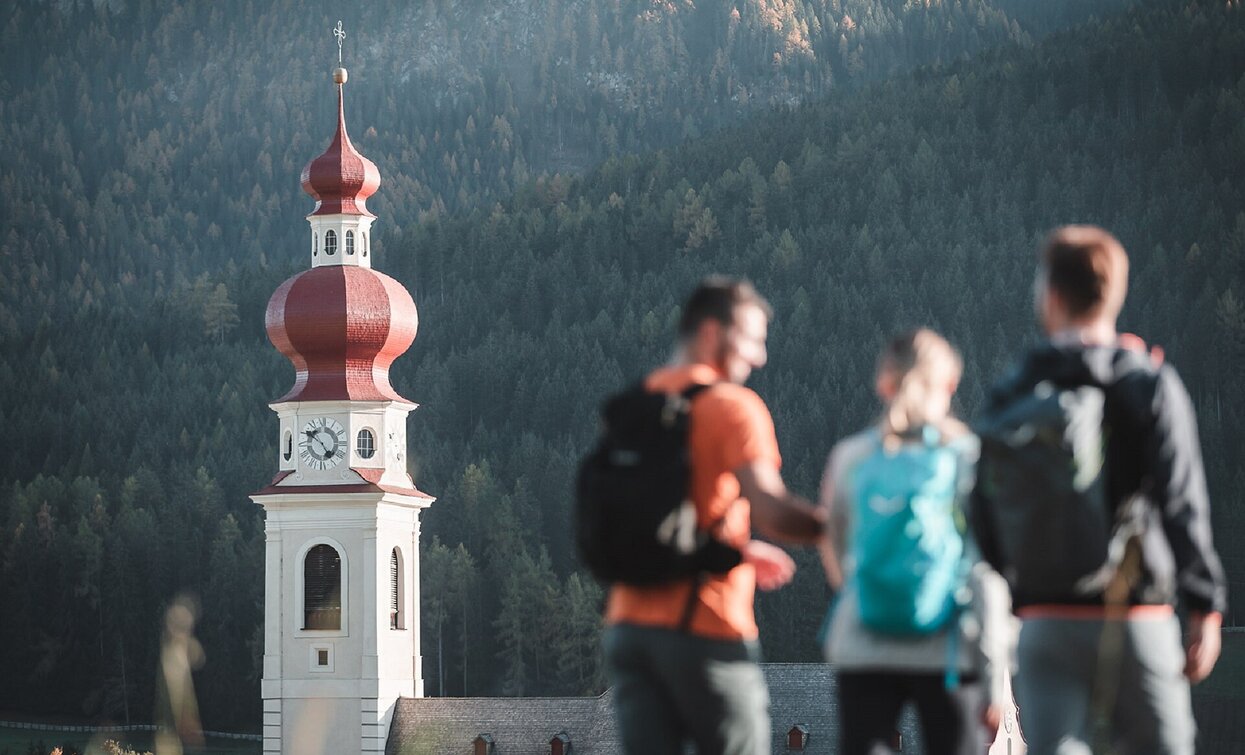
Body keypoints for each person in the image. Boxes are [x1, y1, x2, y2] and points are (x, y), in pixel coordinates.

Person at [971, 225, 1228, 754]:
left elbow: (981, 505)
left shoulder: (1012, 393)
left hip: (1044, 621)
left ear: (1050, 296)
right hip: (1136, 616)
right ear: (1115, 294)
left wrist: (1012, 595)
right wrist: (1205, 605)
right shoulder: (1148, 384)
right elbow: (1182, 501)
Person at [603, 276, 827, 755]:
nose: (760, 357)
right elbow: (772, 510)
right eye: (752, 340)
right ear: (711, 332)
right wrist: (832, 524)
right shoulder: (732, 408)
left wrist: (736, 550)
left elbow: (659, 515)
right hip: (705, 629)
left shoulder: (636, 404)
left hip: (629, 631)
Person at [817, 329, 1012, 755]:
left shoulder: (851, 458)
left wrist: (870, 596)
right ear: (950, 384)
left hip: (863, 643)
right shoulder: (967, 457)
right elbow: (987, 569)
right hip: (948, 649)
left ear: (883, 385)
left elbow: (833, 545)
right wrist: (995, 676)